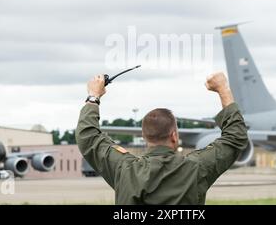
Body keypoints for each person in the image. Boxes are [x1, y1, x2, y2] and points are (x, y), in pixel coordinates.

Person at [75, 72, 249, 204]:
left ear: (144, 137)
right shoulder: (196, 168)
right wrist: (223, 89)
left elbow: (88, 136)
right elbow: (235, 137)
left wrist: (93, 96)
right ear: (174, 136)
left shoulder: (125, 169)